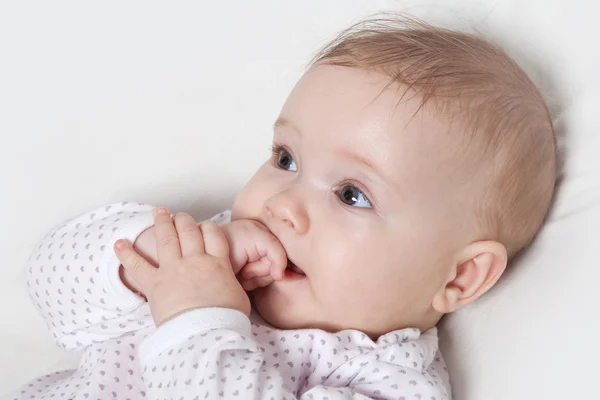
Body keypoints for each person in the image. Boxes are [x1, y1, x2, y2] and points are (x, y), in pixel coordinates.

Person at [12, 16, 556, 400]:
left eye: (352, 194)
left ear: (459, 277)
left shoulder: (384, 382)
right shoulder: (212, 253)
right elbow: (50, 289)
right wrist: (149, 260)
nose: (283, 205)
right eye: (286, 158)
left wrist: (197, 320)